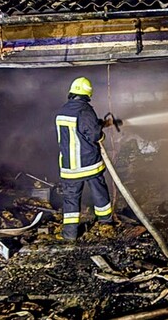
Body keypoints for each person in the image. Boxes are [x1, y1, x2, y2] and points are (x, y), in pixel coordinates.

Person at [55, 76, 113, 240]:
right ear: (88, 94)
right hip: (88, 164)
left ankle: (70, 234)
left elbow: (79, 129)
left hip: (69, 166)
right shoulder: (85, 110)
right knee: (99, 192)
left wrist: (100, 123)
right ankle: (105, 223)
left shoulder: (62, 112)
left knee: (71, 200)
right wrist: (101, 134)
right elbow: (94, 135)